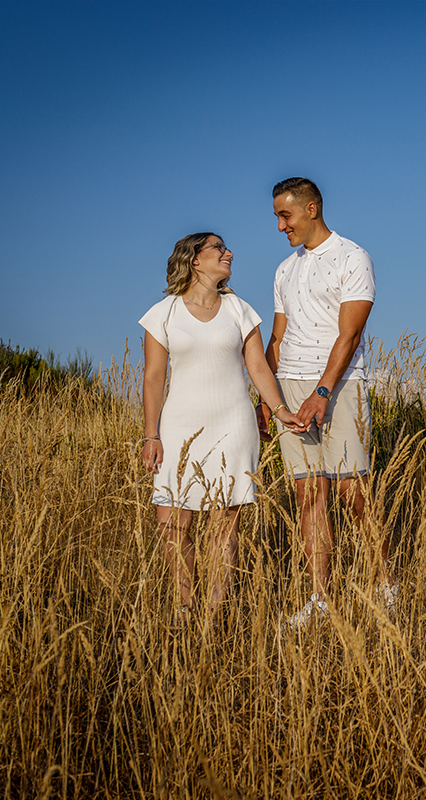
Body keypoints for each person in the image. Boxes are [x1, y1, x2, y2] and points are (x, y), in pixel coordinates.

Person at [141, 232, 304, 628]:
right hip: (178, 427)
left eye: (226, 248)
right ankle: (185, 607)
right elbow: (153, 377)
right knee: (172, 522)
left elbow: (259, 367)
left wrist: (279, 411)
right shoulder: (162, 313)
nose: (228, 253)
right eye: (218, 248)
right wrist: (151, 434)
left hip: (233, 424)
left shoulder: (239, 309)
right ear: (194, 260)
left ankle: (213, 616)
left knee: (224, 524)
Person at [261, 177, 394, 629]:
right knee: (307, 494)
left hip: (340, 386)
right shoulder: (284, 269)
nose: (281, 225)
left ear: (312, 208)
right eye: (278, 216)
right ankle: (321, 599)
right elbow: (277, 337)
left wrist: (322, 393)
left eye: (286, 215)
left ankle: (384, 587)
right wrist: (267, 397)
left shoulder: (352, 257)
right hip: (289, 385)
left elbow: (350, 333)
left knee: (352, 491)